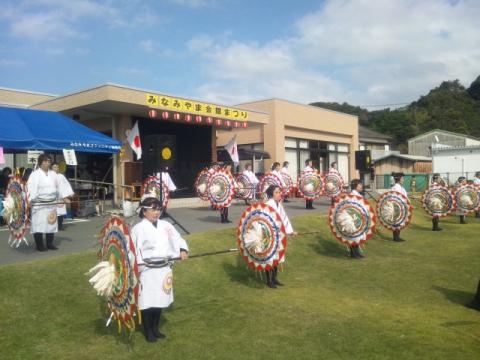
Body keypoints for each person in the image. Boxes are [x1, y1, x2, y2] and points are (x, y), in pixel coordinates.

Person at [131, 196, 188, 342]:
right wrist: (136, 266)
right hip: (147, 271)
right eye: (152, 209)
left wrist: (182, 250)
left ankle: (156, 328)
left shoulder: (166, 225)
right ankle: (148, 330)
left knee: (160, 299)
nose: (156, 212)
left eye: (158, 209)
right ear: (144, 211)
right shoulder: (138, 229)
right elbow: (132, 250)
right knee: (148, 301)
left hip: (164, 269)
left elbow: (178, 239)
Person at [27, 154, 73, 251]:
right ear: (40, 163)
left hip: (51, 203)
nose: (47, 163)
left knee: (51, 223)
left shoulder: (53, 174)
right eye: (45, 161)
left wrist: (64, 196)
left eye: (48, 161)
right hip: (39, 203)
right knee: (39, 224)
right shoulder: (35, 174)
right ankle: (39, 245)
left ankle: (49, 243)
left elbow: (59, 187)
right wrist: (31, 199)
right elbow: (31, 188)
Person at [265, 185, 297, 288]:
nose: (279, 194)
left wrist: (290, 231)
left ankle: (274, 278)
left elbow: (284, 219)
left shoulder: (278, 204)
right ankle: (269, 280)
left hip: (279, 235)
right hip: (270, 235)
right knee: (269, 257)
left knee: (277, 257)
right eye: (277, 192)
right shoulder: (268, 205)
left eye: (279, 192)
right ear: (272, 194)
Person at [52, 163, 74, 230]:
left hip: (61, 196)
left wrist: (70, 192)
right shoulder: (49, 176)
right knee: (53, 212)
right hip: (52, 197)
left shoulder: (61, 176)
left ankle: (60, 225)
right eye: (55, 167)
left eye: (57, 167)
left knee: (60, 212)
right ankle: (53, 226)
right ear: (52, 168)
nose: (56, 168)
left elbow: (66, 184)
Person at [348, 179, 365, 259]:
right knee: (353, 235)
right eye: (360, 184)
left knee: (358, 235)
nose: (361, 186)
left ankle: (356, 252)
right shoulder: (352, 195)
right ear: (355, 186)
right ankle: (353, 254)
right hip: (354, 217)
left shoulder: (358, 194)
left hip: (359, 217)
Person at [391, 172, 407, 242]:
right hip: (398, 207)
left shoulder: (400, 187)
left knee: (398, 222)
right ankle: (396, 238)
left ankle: (397, 237)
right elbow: (398, 198)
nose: (403, 179)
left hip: (401, 206)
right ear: (399, 179)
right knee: (397, 222)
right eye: (402, 178)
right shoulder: (397, 187)